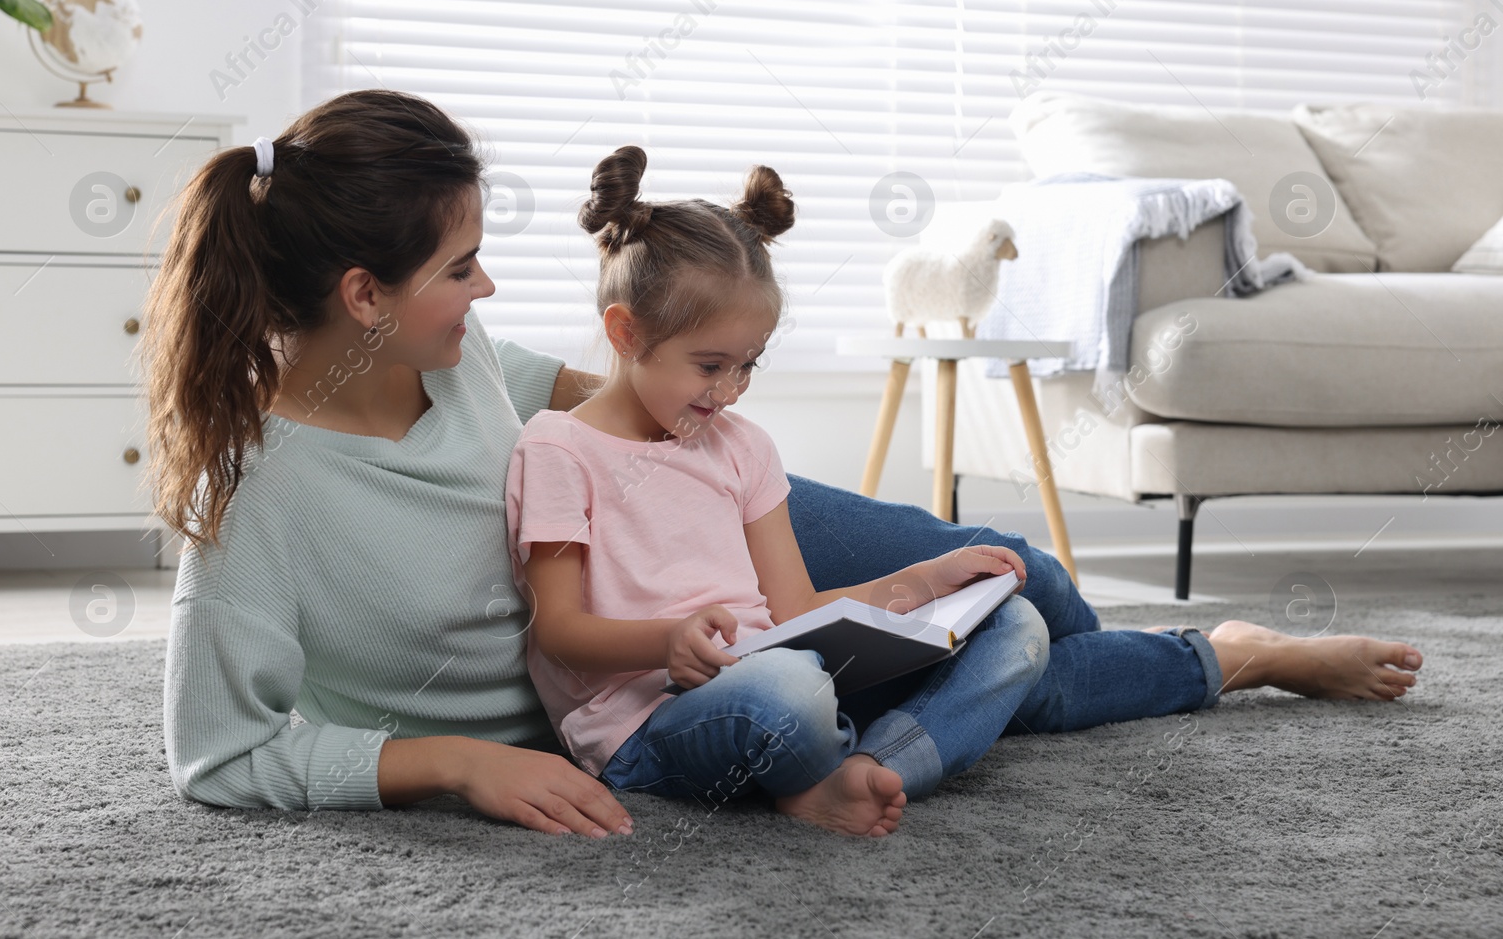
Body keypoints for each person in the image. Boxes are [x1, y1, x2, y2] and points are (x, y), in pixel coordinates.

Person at [151, 89, 1424, 840]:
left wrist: (702, 418)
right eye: (459, 266)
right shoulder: (254, 500)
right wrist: (454, 760)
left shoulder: (457, 347)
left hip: (684, 510)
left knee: (1004, 576)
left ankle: (1177, 653)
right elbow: (220, 754)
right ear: (364, 293)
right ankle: (1224, 658)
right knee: (947, 667)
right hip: (624, 659)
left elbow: (594, 391)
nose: (485, 287)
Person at [505, 146, 1046, 838]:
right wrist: (667, 640)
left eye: (747, 366)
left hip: (783, 667)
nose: (729, 391)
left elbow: (795, 608)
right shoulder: (557, 447)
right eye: (710, 365)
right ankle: (826, 763)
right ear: (625, 332)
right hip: (652, 719)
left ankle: (865, 770)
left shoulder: (744, 445)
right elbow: (559, 633)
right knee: (789, 690)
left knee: (1017, 628)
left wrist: (931, 578)